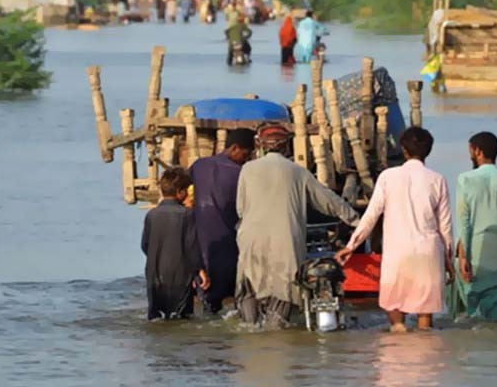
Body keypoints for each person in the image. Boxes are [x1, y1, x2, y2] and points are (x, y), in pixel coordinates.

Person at [234, 123, 360, 328]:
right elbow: (329, 200)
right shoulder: (297, 171)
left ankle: (250, 329)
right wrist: (356, 220)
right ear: (286, 147)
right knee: (282, 293)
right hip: (286, 241)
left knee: (250, 288)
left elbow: (241, 208)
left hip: (251, 239)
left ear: (261, 146)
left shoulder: (247, 169)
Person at [335, 127, 454, 332]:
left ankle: (397, 346)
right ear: (428, 151)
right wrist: (449, 261)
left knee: (396, 314)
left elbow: (371, 216)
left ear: (403, 149)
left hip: (397, 254)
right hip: (428, 253)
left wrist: (351, 246)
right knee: (425, 320)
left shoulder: (388, 177)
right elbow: (445, 228)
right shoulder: (437, 180)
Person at [449, 132, 497, 321]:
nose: (470, 156)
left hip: (477, 246)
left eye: (471, 151)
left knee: (470, 300)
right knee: (496, 302)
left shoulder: (465, 179)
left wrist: (464, 254)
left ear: (478, 151)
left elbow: (464, 221)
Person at [189, 129, 256, 313]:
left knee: (208, 302)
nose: (246, 158)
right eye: (245, 154)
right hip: (228, 244)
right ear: (234, 148)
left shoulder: (199, 166)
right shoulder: (240, 174)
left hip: (201, 247)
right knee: (235, 299)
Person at [141, 168, 210, 320]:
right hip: (180, 276)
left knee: (156, 318)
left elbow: (145, 245)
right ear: (180, 192)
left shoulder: (151, 215)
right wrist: (200, 270)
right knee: (182, 318)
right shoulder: (187, 215)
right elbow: (191, 246)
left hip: (154, 276)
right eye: (186, 190)